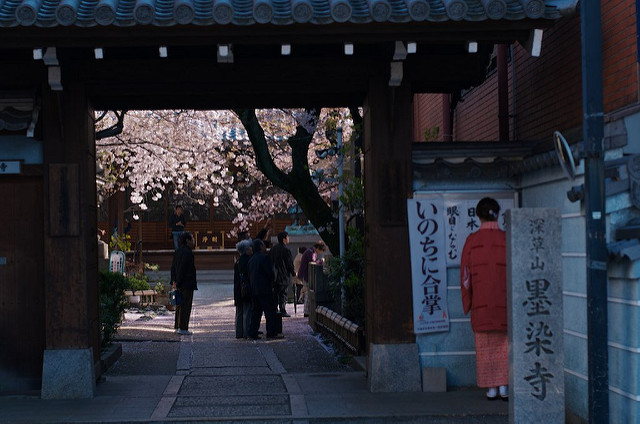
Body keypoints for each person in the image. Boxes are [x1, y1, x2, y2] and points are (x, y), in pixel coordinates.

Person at [460, 197, 508, 401]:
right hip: (506, 304)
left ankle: (491, 388)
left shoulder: (472, 241)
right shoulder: (508, 238)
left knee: (485, 347)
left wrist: (468, 301)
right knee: (506, 345)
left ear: (478, 216)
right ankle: (505, 386)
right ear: (498, 214)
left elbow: (465, 277)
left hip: (482, 305)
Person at [247, 239, 283, 339]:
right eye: (263, 245)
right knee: (270, 311)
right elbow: (270, 274)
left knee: (256, 312)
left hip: (254, 289)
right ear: (260, 247)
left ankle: (252, 332)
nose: (264, 246)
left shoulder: (251, 260)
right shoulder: (264, 258)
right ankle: (271, 332)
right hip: (264, 289)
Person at [171, 231, 198, 335]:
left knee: (179, 305)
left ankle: (177, 326)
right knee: (186, 305)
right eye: (192, 239)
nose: (194, 241)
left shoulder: (177, 251)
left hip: (179, 282)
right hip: (186, 283)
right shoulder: (188, 253)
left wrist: (174, 280)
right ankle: (183, 327)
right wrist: (179, 281)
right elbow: (183, 268)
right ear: (187, 240)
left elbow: (173, 267)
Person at [297, 241, 327, 317]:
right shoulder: (311, 253)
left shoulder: (310, 251)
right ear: (317, 248)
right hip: (307, 276)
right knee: (308, 294)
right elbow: (313, 263)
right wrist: (321, 261)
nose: (320, 253)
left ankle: (307, 311)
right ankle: (306, 312)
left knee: (307, 293)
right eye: (321, 251)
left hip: (306, 275)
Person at [269, 232, 295, 317]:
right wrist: (293, 273)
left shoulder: (273, 249)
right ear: (284, 239)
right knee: (283, 293)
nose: (289, 239)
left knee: (275, 293)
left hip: (274, 275)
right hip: (283, 275)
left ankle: (274, 309)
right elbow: (289, 263)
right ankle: (282, 309)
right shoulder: (286, 250)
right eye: (288, 237)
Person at [233, 239, 253, 339]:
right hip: (246, 289)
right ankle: (246, 333)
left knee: (239, 312)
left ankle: (239, 333)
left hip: (238, 289)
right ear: (246, 250)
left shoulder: (238, 261)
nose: (251, 249)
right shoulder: (248, 260)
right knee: (247, 311)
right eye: (249, 247)